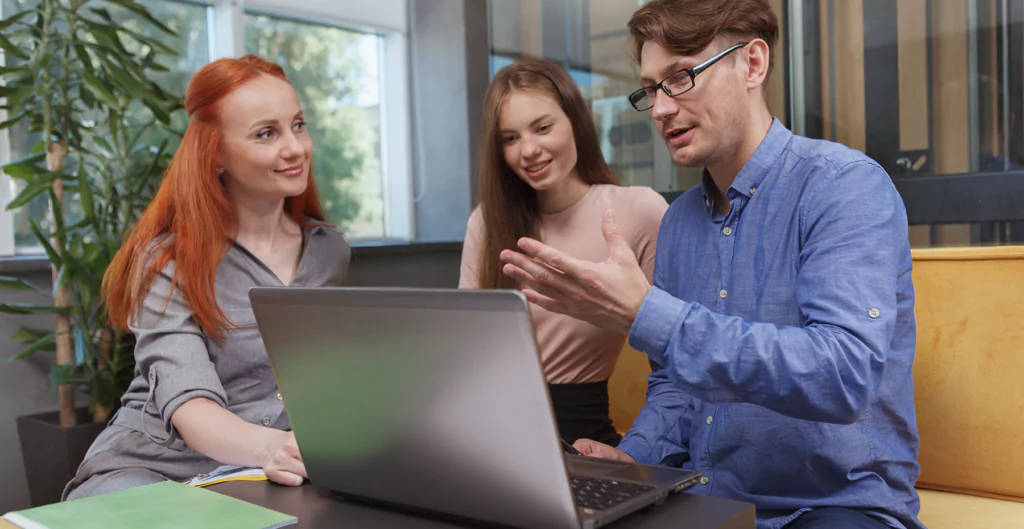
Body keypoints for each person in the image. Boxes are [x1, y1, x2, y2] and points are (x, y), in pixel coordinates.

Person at [498, 1, 923, 528]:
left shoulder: (842, 186)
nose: (659, 108)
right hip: (712, 502)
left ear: (752, 64)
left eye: (680, 78)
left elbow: (842, 375)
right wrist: (635, 456)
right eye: (650, 88)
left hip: (834, 506)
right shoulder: (678, 224)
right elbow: (678, 386)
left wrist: (646, 315)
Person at [63, 54, 351, 500]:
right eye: (266, 134)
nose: (295, 147)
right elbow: (190, 406)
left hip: (262, 471)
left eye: (298, 125)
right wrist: (272, 446)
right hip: (153, 466)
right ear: (215, 155)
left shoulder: (329, 252)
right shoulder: (165, 258)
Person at [459, 58, 668, 446]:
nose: (529, 150)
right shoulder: (487, 222)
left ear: (576, 120)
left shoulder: (639, 211)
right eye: (510, 138)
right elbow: (467, 353)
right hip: (488, 436)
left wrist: (644, 450)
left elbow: (676, 350)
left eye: (542, 128)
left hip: (581, 438)